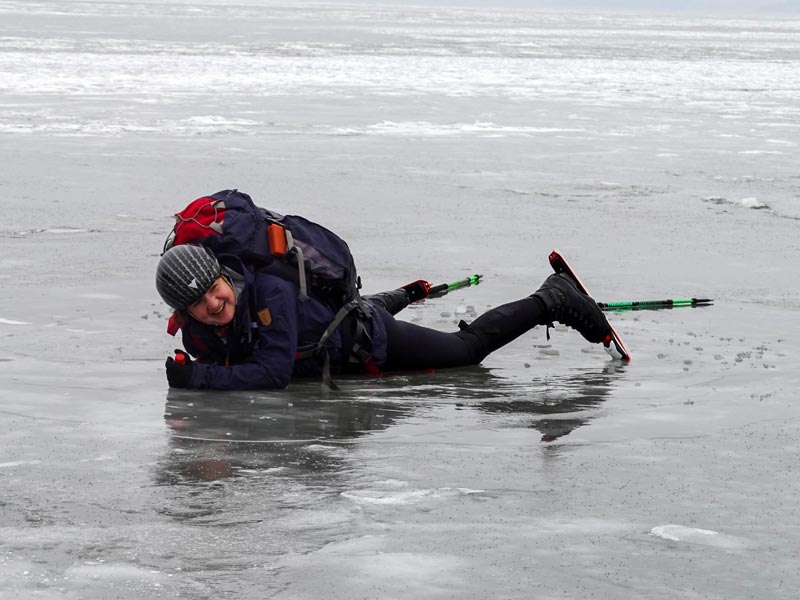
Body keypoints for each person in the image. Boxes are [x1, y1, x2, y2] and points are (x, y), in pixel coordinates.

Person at [155, 244, 612, 390]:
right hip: (338, 326)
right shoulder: (198, 334)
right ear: (184, 312)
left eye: (215, 290)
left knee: (465, 351)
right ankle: (408, 293)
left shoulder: (269, 293)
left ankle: (552, 298)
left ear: (222, 276)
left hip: (367, 338)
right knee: (370, 304)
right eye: (200, 304)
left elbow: (273, 373)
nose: (214, 305)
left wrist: (197, 378)